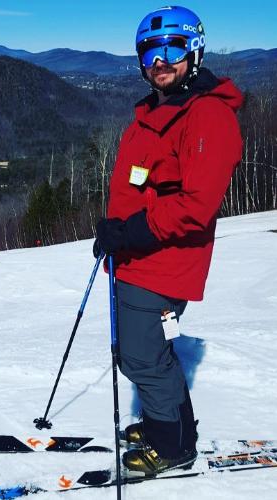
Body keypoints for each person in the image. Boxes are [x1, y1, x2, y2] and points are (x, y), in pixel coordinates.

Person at [93, 6, 243, 476]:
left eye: (172, 48)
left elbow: (197, 204)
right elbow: (142, 185)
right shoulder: (158, 109)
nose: (160, 59)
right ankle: (173, 425)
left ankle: (172, 445)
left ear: (194, 51)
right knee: (143, 352)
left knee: (143, 357)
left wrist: (131, 230)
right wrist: (112, 229)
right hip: (136, 257)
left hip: (164, 260)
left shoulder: (208, 117)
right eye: (150, 50)